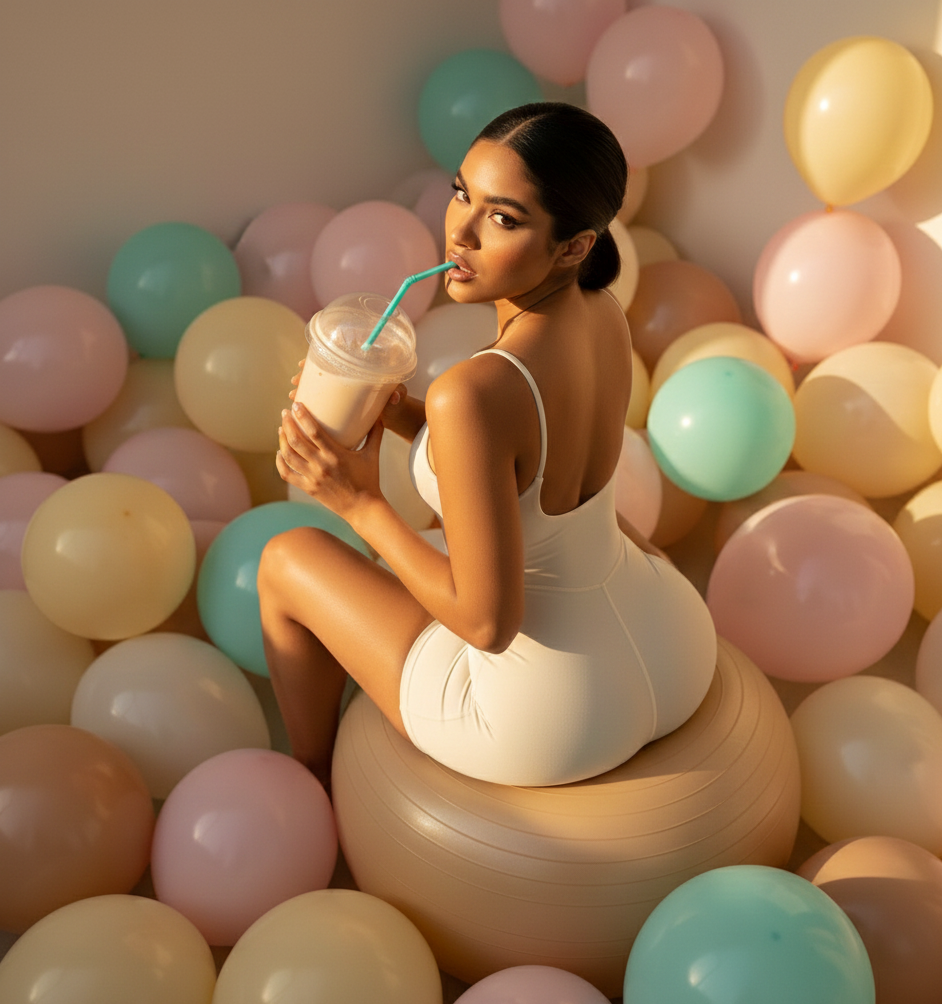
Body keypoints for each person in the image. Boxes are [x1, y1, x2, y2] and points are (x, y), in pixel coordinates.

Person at [258, 102, 716, 791]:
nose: (460, 234)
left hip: (554, 718)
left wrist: (357, 504)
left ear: (575, 246)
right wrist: (402, 412)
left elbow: (487, 622)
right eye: (461, 195)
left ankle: (311, 776)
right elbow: (532, 456)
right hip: (675, 641)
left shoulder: (472, 394)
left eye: (502, 218)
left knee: (285, 558)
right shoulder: (603, 317)